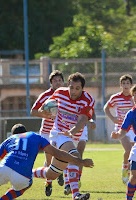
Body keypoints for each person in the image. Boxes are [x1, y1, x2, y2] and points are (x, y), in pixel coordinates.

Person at [0, 124, 94, 200]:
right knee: (26, 185)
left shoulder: (9, 140)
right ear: (25, 132)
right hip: (23, 176)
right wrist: (80, 161)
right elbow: (58, 153)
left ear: (13, 134)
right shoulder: (35, 136)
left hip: (4, 167)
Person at [32, 72, 95, 200]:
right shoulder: (60, 92)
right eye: (71, 87)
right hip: (58, 133)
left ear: (83, 88)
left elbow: (82, 120)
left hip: (71, 134)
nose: (73, 91)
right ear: (68, 86)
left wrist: (71, 132)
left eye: (77, 88)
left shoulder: (88, 100)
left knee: (52, 172)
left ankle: (27, 172)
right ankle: (76, 195)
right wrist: (44, 110)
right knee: (74, 156)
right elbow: (46, 105)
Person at [30, 70, 65, 196]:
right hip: (46, 131)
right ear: (51, 83)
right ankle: (49, 181)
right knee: (49, 159)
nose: (58, 82)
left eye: (60, 80)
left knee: (62, 156)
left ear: (63, 82)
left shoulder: (66, 95)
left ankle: (59, 173)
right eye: (55, 81)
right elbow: (33, 111)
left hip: (60, 131)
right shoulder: (45, 95)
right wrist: (44, 114)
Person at [104, 74, 135, 184]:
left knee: (133, 153)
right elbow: (106, 108)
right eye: (123, 83)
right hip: (121, 128)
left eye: (128, 83)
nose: (126, 85)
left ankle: (129, 173)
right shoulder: (115, 97)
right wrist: (113, 118)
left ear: (131, 85)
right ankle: (124, 167)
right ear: (120, 85)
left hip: (134, 129)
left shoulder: (135, 97)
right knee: (128, 150)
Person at [64, 115, 96, 196]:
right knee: (68, 154)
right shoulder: (65, 102)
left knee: (79, 152)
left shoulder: (86, 102)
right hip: (68, 126)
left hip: (82, 127)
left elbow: (92, 113)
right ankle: (67, 182)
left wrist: (92, 121)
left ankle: (77, 179)